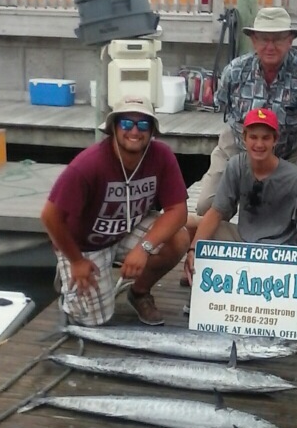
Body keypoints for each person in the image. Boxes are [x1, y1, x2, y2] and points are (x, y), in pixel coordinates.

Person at [191, 5, 297, 307]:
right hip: (240, 142)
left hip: (290, 145)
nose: (270, 46)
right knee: (207, 204)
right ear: (253, 40)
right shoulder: (235, 71)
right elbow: (228, 118)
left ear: (290, 41)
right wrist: (244, 158)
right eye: (264, 39)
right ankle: (201, 258)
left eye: (278, 38)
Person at [41, 94, 189, 327]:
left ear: (151, 130)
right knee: (94, 321)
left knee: (178, 238)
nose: (134, 131)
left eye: (143, 124)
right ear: (113, 127)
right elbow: (50, 217)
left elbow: (178, 211)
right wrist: (76, 260)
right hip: (84, 244)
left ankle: (139, 293)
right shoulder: (88, 165)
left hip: (125, 229)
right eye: (127, 123)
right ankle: (67, 274)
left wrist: (144, 248)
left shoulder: (162, 156)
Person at [185, 107, 297, 312]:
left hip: (280, 253)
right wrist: (192, 249)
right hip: (244, 243)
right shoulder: (235, 166)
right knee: (196, 227)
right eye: (253, 137)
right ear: (244, 138)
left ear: (275, 140)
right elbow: (216, 212)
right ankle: (204, 294)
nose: (259, 144)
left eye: (266, 138)